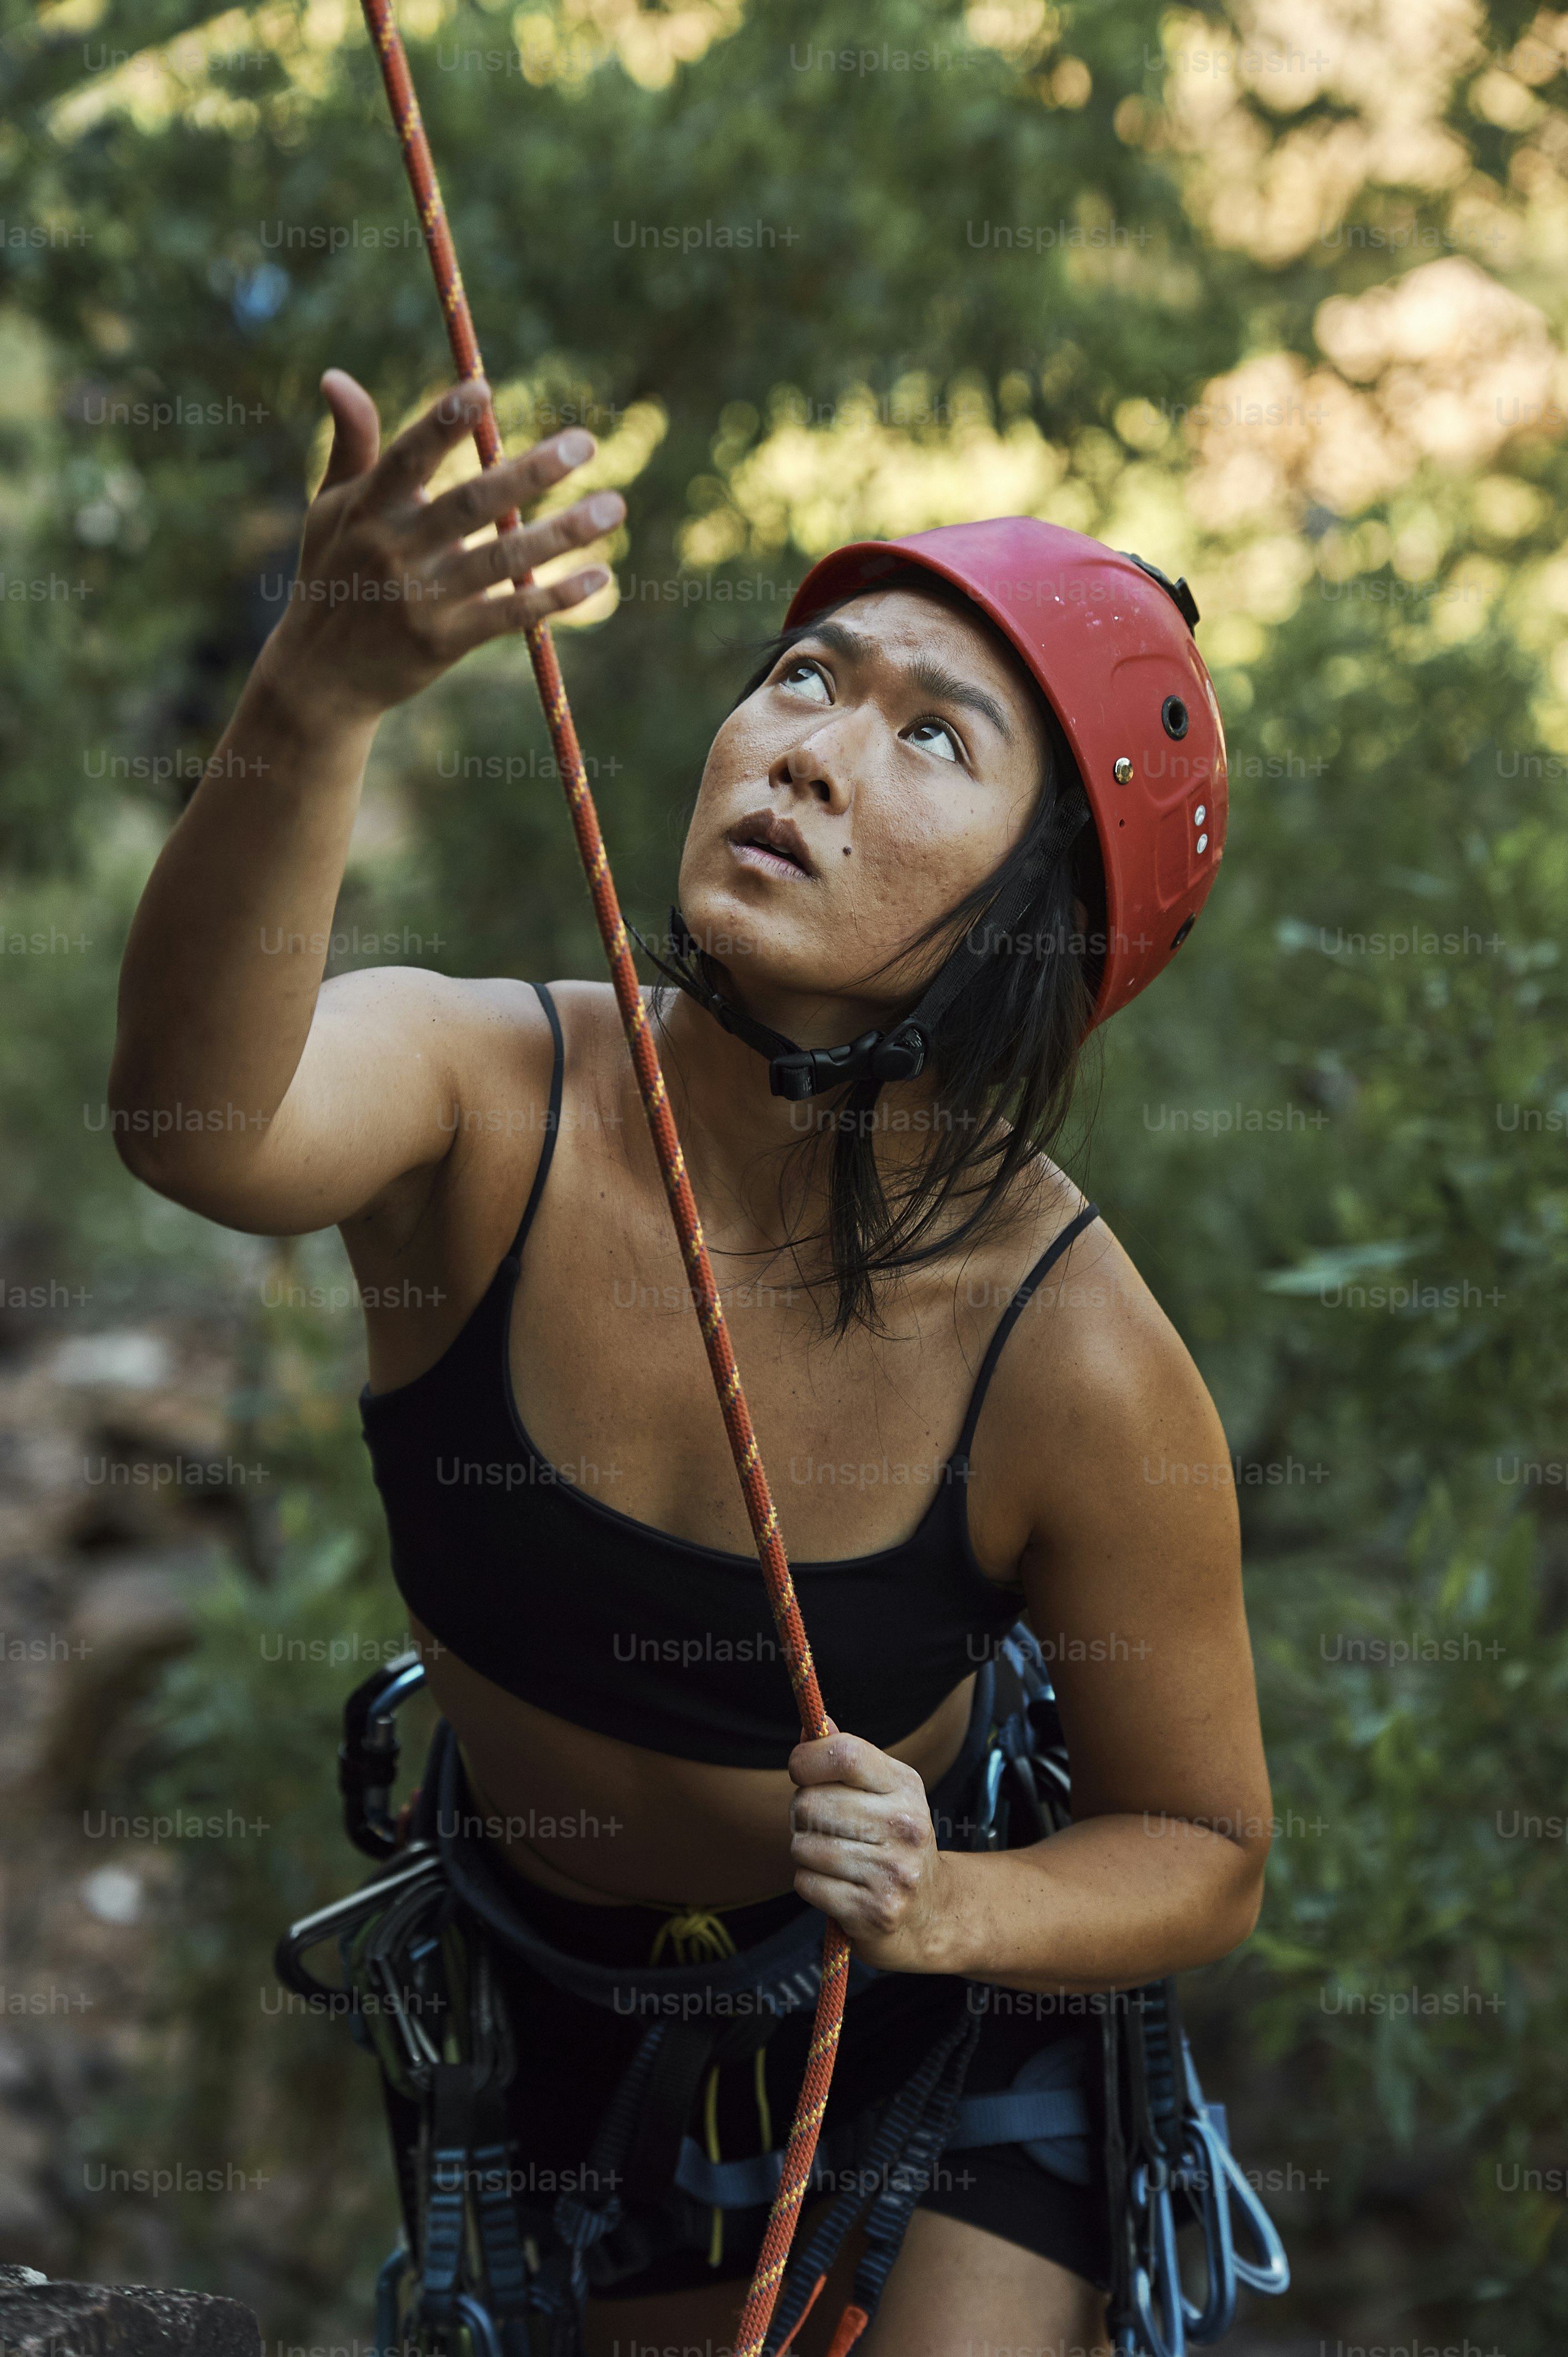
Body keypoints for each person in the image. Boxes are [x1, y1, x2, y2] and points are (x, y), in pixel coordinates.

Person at [110, 370, 1273, 2357]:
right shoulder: (494, 1099)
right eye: (808, 677)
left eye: (931, 735)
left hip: (918, 2018)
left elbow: (1205, 1849)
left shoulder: (1072, 1354)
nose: (813, 751)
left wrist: (946, 1908)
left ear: (1036, 924)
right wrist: (315, 699)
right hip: (555, 2013)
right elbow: (196, 1132)